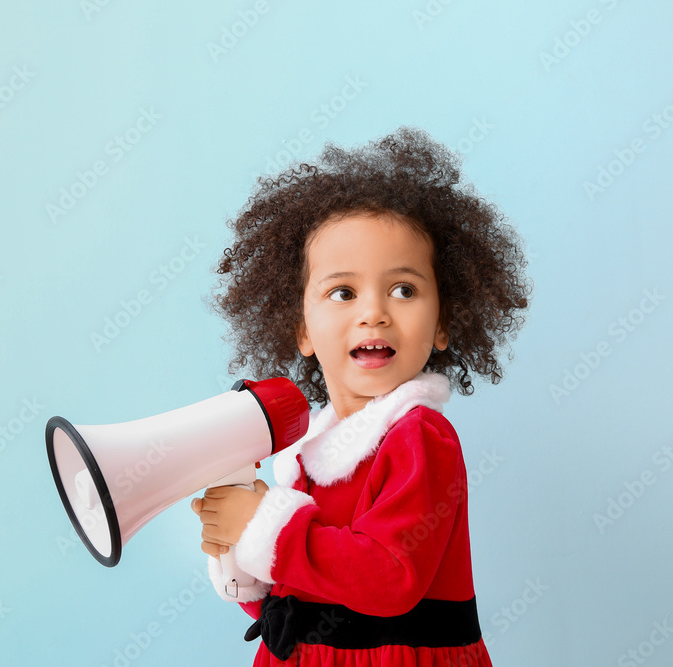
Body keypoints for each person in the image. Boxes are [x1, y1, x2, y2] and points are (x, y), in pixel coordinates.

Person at [192, 127, 530, 665]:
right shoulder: (309, 457)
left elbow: (388, 577)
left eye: (404, 289)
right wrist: (242, 558)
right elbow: (305, 602)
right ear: (301, 330)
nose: (373, 312)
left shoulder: (421, 436)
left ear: (443, 323)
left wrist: (262, 524)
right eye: (342, 292)